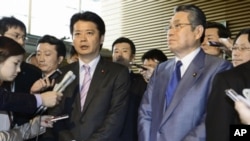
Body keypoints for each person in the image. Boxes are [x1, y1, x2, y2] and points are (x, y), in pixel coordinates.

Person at [138, 4, 232, 141]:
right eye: (169, 27)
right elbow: (145, 112)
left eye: (178, 26)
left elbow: (213, 118)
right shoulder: (161, 69)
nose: (170, 32)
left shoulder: (219, 68)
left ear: (198, 32)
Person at [41, 11, 130, 141]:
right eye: (77, 34)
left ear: (101, 38)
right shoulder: (63, 73)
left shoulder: (118, 73)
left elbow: (115, 117)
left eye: (89, 33)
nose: (83, 39)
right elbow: (55, 114)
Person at [0, 36, 61, 141]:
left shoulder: (6, 89)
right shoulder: (6, 96)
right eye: (15, 63)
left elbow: (9, 134)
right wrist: (40, 99)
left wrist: (36, 125)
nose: (19, 70)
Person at [206, 28, 250, 141]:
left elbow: (221, 132)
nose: (236, 52)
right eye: (234, 48)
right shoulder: (227, 77)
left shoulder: (227, 78)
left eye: (243, 48)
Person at [112, 37, 147, 141]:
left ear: (133, 58)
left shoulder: (142, 82)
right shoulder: (103, 82)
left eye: (124, 51)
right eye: (116, 51)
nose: (119, 54)